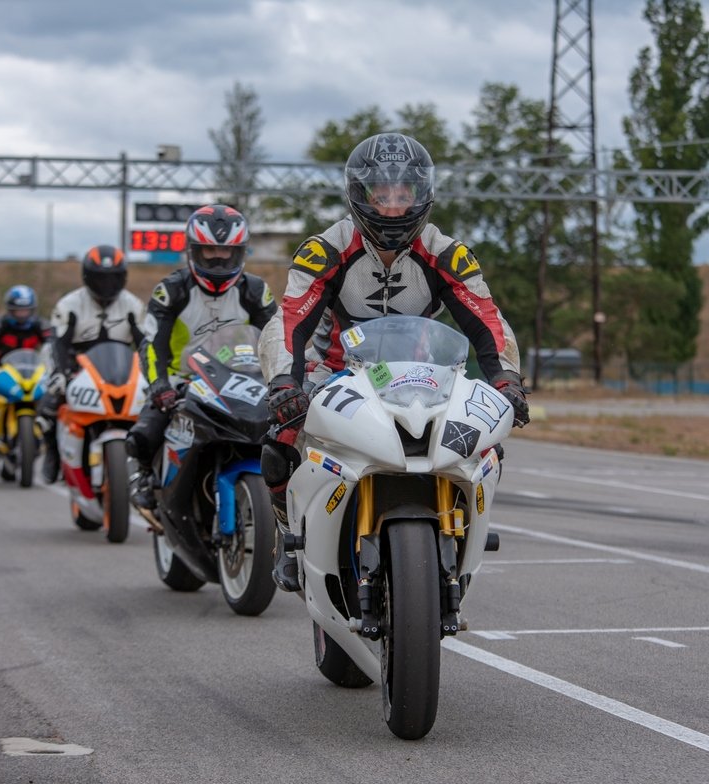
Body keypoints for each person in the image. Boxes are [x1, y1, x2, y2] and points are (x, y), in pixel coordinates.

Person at [258, 132, 530, 592]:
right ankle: (289, 537)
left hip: (426, 373)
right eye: (380, 193)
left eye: (403, 193)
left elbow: (485, 316)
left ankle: (461, 535)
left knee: (486, 445)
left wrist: (506, 378)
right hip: (336, 370)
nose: (392, 206)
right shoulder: (323, 249)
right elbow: (290, 317)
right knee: (280, 438)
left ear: (422, 194)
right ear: (359, 194)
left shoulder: (447, 252)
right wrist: (286, 382)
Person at [126, 204, 277, 511]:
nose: (219, 259)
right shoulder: (170, 292)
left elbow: (277, 341)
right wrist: (159, 386)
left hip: (243, 381)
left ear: (241, 252)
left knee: (287, 432)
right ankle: (143, 476)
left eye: (227, 252)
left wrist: (286, 382)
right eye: (209, 251)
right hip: (183, 382)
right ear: (193, 251)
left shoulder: (256, 292)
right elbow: (152, 346)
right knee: (144, 433)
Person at [38, 245, 146, 484]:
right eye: (100, 278)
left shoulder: (133, 305)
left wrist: (152, 373)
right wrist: (61, 373)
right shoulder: (69, 305)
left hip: (120, 367)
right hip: (78, 365)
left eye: (113, 278)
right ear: (87, 277)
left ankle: (146, 467)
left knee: (153, 408)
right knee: (49, 401)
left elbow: (146, 345)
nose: (106, 284)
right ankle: (53, 456)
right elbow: (58, 344)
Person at [0, 284, 51, 426]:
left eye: (25, 311)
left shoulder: (41, 324)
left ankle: (47, 423)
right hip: (3, 368)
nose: (22, 315)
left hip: (33, 368)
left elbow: (53, 345)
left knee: (53, 392)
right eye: (18, 311)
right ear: (10, 310)